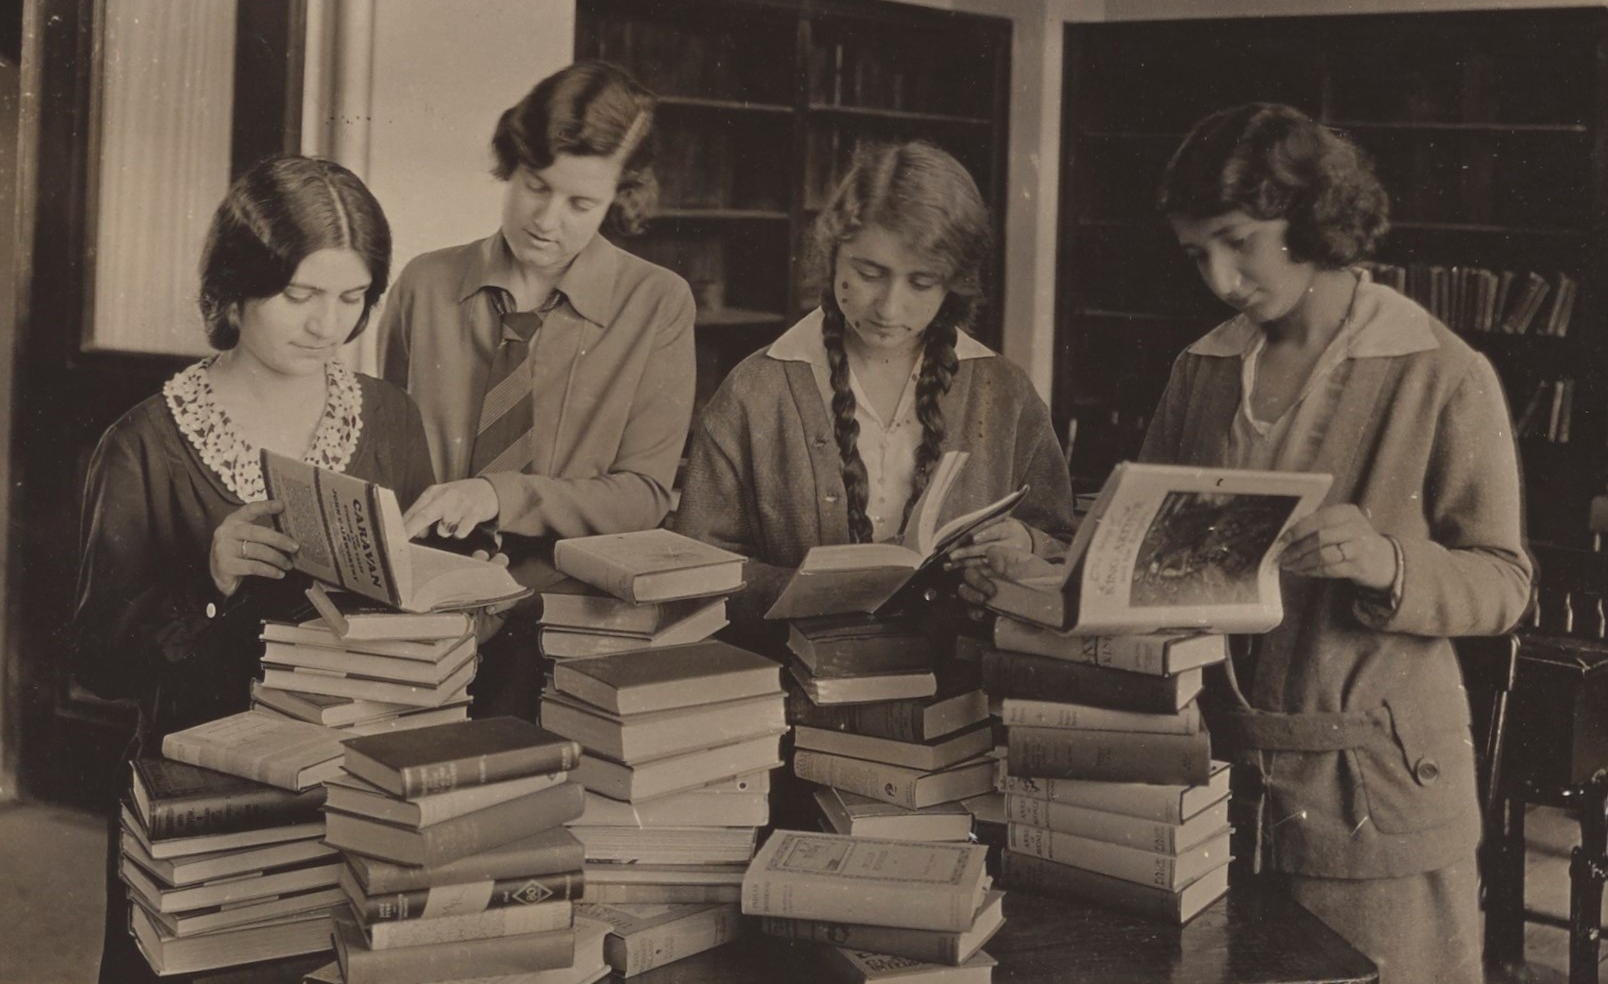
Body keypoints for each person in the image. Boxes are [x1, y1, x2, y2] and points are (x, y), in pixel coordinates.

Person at [964, 103, 1532, 984]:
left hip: (1373, 798)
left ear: (1311, 220)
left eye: (1240, 242)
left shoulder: (1440, 371)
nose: (1223, 279)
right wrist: (1043, 562)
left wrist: (1388, 561)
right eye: (1198, 255)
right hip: (1211, 783)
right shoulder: (1202, 367)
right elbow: (1136, 548)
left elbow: (1506, 583)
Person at [71, 156, 437, 983]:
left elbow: (426, 607)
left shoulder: (389, 418)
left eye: (352, 298)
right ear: (234, 290)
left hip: (357, 788)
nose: (326, 326)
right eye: (300, 296)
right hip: (204, 800)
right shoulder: (143, 442)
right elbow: (94, 659)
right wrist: (208, 579)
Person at [378, 60, 696, 715]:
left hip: (566, 623)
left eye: (581, 204)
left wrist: (498, 494)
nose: (547, 220)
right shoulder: (424, 286)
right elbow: (383, 460)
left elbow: (643, 496)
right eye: (535, 186)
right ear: (511, 167)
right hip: (424, 610)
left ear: (622, 199)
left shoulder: (657, 304)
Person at [675, 139, 1077, 647]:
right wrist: (811, 589)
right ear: (833, 254)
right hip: (797, 689)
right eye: (869, 274)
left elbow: (1064, 545)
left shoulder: (1005, 391)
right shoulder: (757, 388)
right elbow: (693, 573)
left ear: (953, 283)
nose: (890, 306)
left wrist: (1024, 544)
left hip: (959, 693)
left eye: (922, 283)